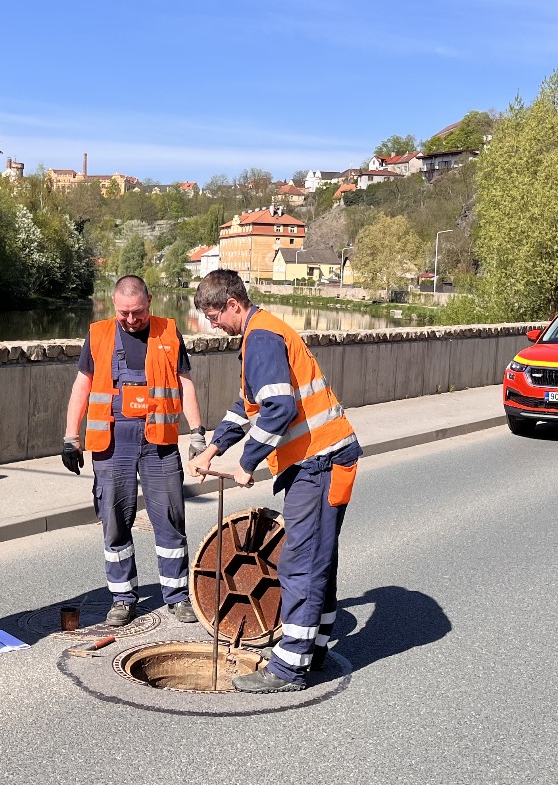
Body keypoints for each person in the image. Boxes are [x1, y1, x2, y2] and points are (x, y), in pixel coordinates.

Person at [188, 269, 361, 693]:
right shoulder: (260, 334)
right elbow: (248, 405)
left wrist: (246, 462)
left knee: (299, 562)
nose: (212, 325)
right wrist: (213, 448)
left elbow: (279, 409)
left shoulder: (261, 338)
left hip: (318, 462)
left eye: (213, 315)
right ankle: (313, 646)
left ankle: (288, 669)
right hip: (321, 459)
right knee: (319, 557)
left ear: (233, 304)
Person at [62, 274, 207, 628]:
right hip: (113, 444)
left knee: (171, 520)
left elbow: (185, 384)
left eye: (137, 312)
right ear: (114, 305)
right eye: (124, 312)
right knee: (115, 522)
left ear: (150, 301)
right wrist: (71, 436)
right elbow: (82, 385)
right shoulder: (98, 336)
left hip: (159, 443)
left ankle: (176, 596)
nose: (130, 319)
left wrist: (198, 434)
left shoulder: (169, 333)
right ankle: (123, 598)